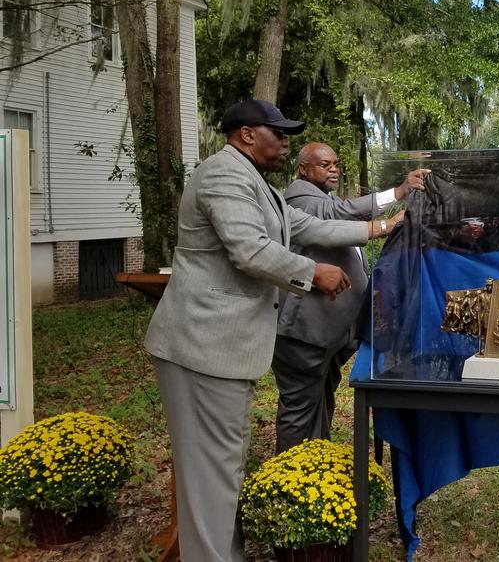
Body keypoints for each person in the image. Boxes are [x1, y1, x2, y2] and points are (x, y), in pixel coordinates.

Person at [144, 100, 398, 562]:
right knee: (212, 471)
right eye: (277, 133)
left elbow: (312, 224)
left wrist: (382, 226)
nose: (285, 142)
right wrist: (312, 273)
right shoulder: (223, 176)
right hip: (203, 346)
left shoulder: (256, 183)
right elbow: (250, 250)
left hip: (224, 349)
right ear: (245, 134)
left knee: (221, 467)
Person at [272, 142, 429, 452]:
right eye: (324, 164)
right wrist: (397, 195)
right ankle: (288, 481)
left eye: (335, 164)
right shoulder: (301, 198)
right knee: (300, 410)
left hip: (325, 333)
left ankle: (315, 467)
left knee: (319, 402)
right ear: (304, 169)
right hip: (304, 331)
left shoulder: (322, 198)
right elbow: (339, 214)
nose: (334, 169)